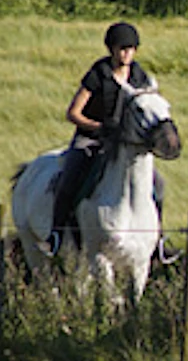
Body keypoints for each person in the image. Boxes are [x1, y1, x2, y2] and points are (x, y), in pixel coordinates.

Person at [43, 22, 180, 264]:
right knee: (70, 175)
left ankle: (157, 240)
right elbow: (73, 113)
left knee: (157, 183)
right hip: (91, 138)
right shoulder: (98, 74)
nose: (127, 53)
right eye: (122, 48)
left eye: (131, 49)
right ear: (111, 49)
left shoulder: (140, 77)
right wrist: (98, 127)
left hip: (124, 143)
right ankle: (56, 233)